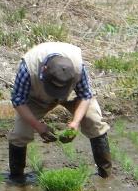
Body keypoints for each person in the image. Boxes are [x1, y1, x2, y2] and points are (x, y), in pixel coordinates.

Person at [8, 41, 112, 180]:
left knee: (94, 121)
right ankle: (17, 179)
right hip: (37, 98)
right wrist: (38, 126)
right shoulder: (28, 68)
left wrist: (75, 123)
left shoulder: (77, 66)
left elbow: (85, 95)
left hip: (70, 95)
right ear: (44, 69)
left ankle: (105, 173)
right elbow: (18, 100)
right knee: (20, 133)